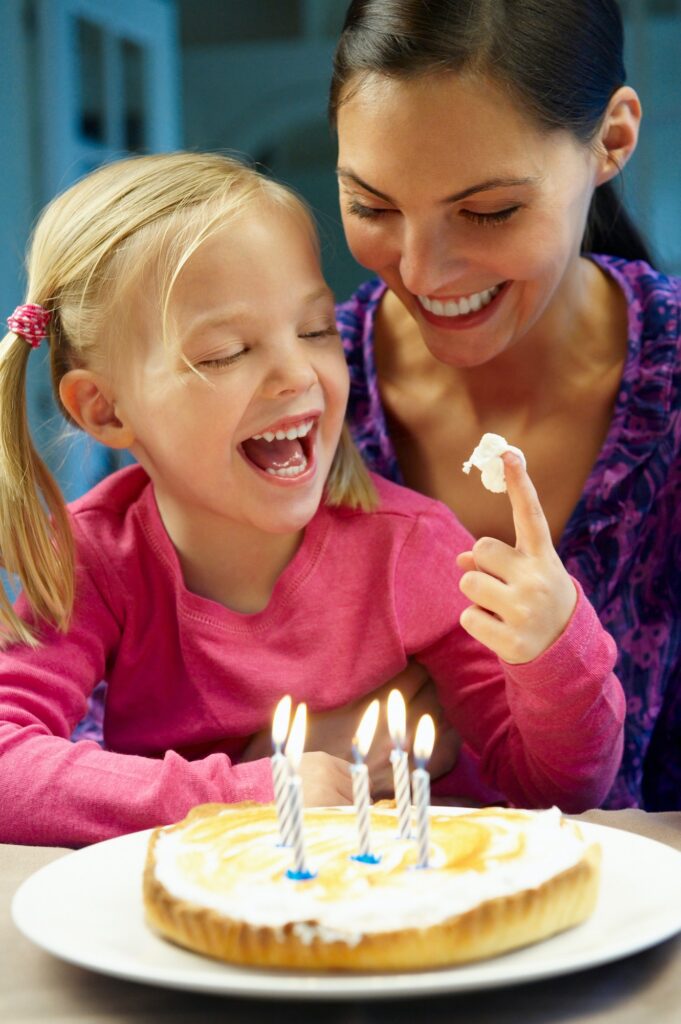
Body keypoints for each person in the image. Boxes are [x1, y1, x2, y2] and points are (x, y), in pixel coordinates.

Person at [0, 152, 623, 847]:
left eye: (314, 331)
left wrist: (555, 646)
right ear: (106, 409)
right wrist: (243, 791)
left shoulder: (411, 548)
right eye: (225, 352)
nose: (296, 373)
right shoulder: (95, 557)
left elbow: (557, 786)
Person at [329, 0, 681, 811]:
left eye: (487, 211)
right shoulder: (295, 402)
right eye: (372, 207)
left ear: (611, 140)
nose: (420, 271)